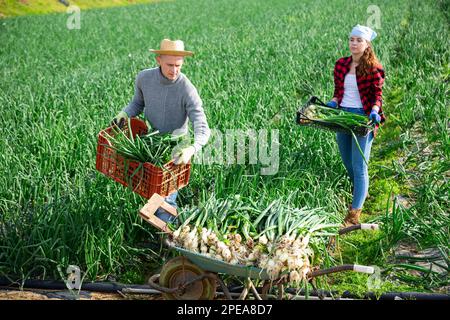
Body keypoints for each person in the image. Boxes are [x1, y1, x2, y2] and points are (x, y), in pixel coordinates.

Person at [112, 39, 211, 222]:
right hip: (151, 143)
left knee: (163, 197)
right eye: (169, 65)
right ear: (158, 59)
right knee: (148, 189)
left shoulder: (187, 89)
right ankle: (173, 222)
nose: (174, 70)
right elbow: (138, 103)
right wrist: (125, 113)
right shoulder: (144, 78)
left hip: (176, 149)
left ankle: (170, 237)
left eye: (178, 65)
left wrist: (191, 149)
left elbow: (203, 129)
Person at [325, 25, 385, 226]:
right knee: (348, 163)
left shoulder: (374, 68)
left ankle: (354, 213)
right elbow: (337, 91)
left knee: (359, 166)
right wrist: (333, 103)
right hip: (342, 115)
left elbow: (377, 96)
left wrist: (375, 111)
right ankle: (360, 190)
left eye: (358, 40)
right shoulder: (341, 64)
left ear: (367, 44)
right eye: (351, 39)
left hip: (362, 118)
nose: (354, 43)